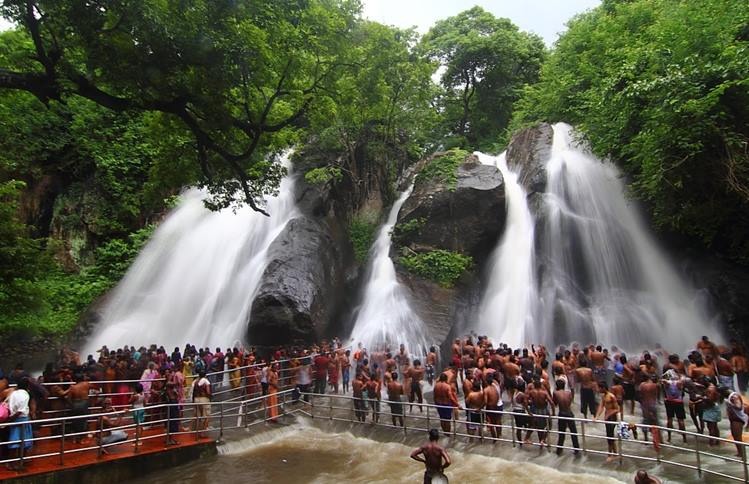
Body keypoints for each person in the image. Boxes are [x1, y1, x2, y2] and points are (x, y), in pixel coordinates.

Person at [6, 378, 33, 470]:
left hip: (14, 418)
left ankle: (11, 462)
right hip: (22, 419)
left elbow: (11, 406)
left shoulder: (13, 393)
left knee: (14, 441)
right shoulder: (25, 395)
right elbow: (20, 410)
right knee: (25, 441)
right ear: (27, 386)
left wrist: (9, 419)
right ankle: (20, 461)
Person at [553, 378, 580, 455]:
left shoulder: (555, 393)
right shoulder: (569, 393)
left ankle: (559, 450)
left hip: (562, 413)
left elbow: (555, 404)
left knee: (561, 433)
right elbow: (570, 401)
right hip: (569, 413)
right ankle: (576, 449)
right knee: (573, 432)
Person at [595, 382, 620, 462]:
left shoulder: (612, 396)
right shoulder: (603, 396)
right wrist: (597, 416)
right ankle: (615, 454)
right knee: (609, 435)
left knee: (610, 436)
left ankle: (610, 454)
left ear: (603, 388)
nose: (598, 390)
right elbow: (601, 406)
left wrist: (609, 413)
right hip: (607, 417)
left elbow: (617, 409)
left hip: (612, 417)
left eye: (599, 388)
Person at [726, 390, 748, 457]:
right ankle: (740, 453)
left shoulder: (734, 397)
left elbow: (739, 407)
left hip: (738, 421)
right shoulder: (731, 397)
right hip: (735, 420)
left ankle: (742, 454)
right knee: (736, 437)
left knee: (738, 438)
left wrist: (731, 404)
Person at [192, 370, 212, 436]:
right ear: (205, 375)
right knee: (207, 415)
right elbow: (208, 391)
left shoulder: (195, 381)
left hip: (196, 399)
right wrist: (210, 398)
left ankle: (196, 430)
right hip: (204, 399)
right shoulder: (206, 381)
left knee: (198, 415)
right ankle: (203, 431)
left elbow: (193, 391)